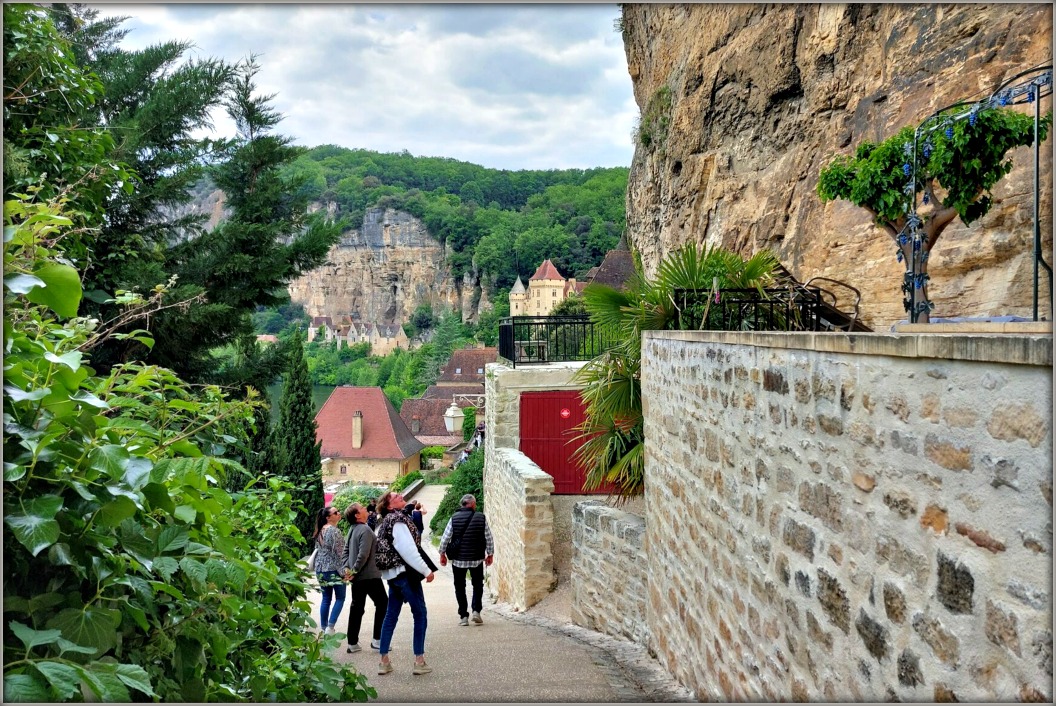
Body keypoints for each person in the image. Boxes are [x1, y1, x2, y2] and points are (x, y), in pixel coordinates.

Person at [373, 491, 435, 676]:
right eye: (396, 497)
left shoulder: (385, 522)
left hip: (393, 576)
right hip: (405, 574)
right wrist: (426, 570)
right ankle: (419, 661)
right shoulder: (398, 520)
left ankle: (384, 661)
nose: (401, 496)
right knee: (420, 614)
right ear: (390, 505)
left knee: (391, 616)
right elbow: (407, 549)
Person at [438, 493, 494, 627]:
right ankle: (476, 611)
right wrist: (490, 554)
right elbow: (489, 537)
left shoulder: (454, 518)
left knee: (459, 587)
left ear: (462, 504)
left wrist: (442, 554)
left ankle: (463, 616)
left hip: (458, 560)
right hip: (476, 559)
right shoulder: (481, 518)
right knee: (477, 585)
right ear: (473, 504)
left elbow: (445, 538)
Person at [342, 503, 388, 654]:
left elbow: (346, 551)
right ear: (357, 515)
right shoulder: (366, 529)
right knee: (383, 604)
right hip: (369, 575)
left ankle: (352, 643)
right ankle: (378, 640)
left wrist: (347, 569)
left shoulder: (352, 529)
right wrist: (353, 570)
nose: (365, 509)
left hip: (358, 577)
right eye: (362, 508)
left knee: (356, 608)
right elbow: (363, 554)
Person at [312, 505, 347, 635]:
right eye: (335, 512)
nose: (339, 513)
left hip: (320, 569)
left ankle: (323, 626)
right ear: (328, 517)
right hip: (333, 569)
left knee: (326, 598)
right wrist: (344, 572)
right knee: (340, 598)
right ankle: (330, 627)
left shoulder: (320, 530)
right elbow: (340, 553)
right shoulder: (334, 531)